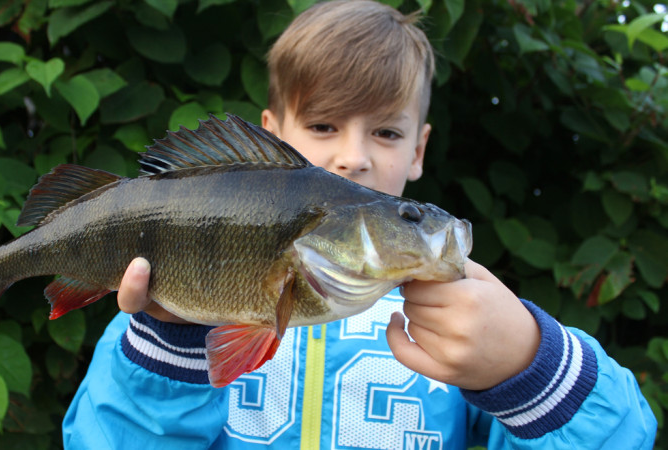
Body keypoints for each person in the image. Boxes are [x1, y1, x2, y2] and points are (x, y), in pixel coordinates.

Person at [63, 1, 657, 448]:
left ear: (420, 149)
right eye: (323, 126)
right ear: (270, 132)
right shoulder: (165, 314)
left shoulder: (467, 327)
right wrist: (173, 345)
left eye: (387, 132)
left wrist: (529, 363)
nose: (354, 157)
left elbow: (624, 437)